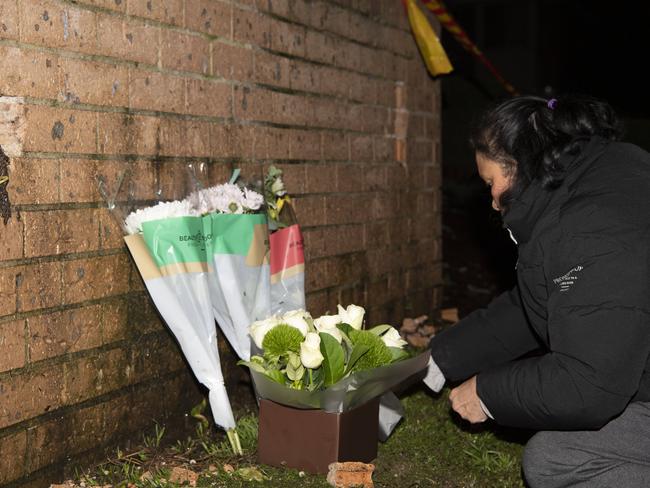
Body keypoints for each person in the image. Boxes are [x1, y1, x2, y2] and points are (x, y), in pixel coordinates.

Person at [425, 94, 650, 487]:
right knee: (553, 455)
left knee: (555, 460)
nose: (493, 203)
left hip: (609, 383)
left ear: (519, 168)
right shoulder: (592, 176)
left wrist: (488, 393)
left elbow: (588, 385)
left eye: (490, 184)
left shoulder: (593, 228)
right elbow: (538, 306)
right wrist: (438, 360)